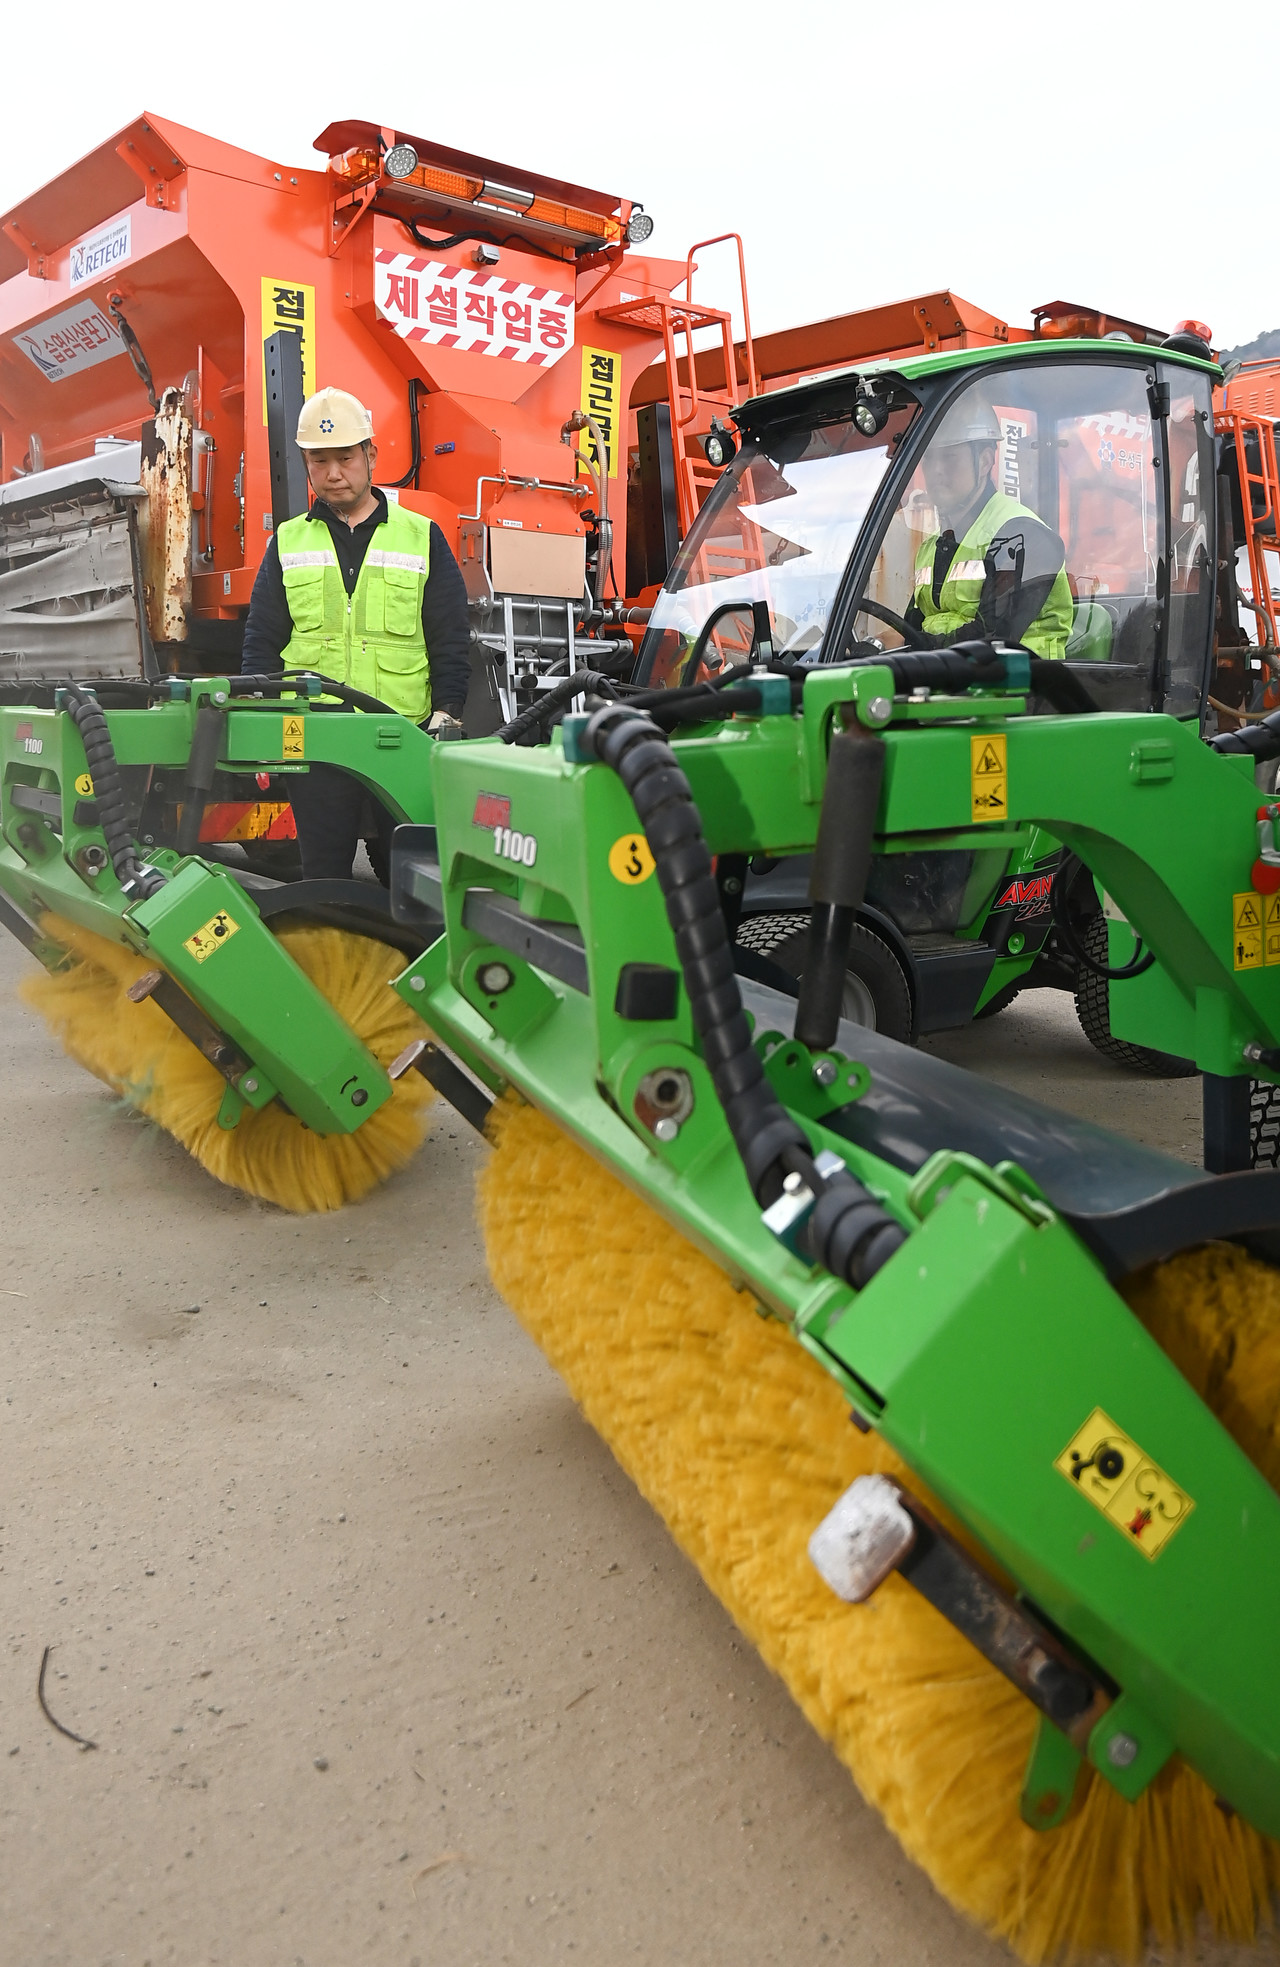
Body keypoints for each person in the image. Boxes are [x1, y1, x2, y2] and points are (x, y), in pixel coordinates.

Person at [241, 386, 471, 879]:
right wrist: (260, 724)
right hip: (318, 738)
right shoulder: (288, 541)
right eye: (319, 461)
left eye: (344, 458)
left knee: (409, 878)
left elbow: (450, 636)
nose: (333, 473)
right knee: (324, 873)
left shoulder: (421, 535)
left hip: (402, 734)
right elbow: (261, 640)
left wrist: (447, 714)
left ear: (370, 455)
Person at [906, 397, 1074, 659]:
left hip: (1026, 688)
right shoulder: (932, 547)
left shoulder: (1020, 534)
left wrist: (915, 649)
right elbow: (912, 627)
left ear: (984, 462)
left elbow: (994, 638)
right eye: (928, 459)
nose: (936, 470)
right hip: (952, 683)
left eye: (949, 457)